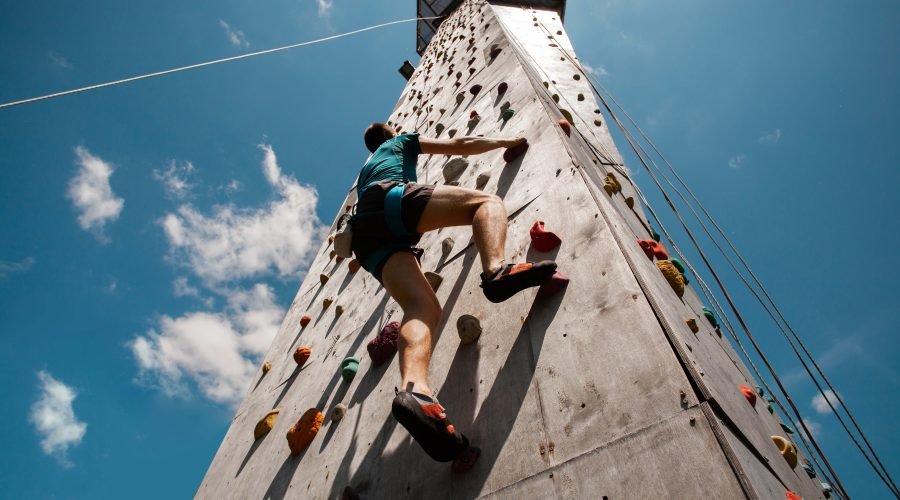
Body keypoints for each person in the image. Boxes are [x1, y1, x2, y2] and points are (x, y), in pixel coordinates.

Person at [350, 122, 557, 464]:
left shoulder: (366, 168)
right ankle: (496, 270)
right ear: (390, 134)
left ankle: (416, 392)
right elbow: (462, 142)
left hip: (365, 240)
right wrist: (507, 139)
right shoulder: (400, 143)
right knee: (485, 203)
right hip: (389, 202)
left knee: (421, 309)